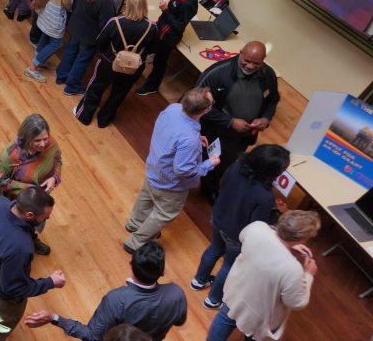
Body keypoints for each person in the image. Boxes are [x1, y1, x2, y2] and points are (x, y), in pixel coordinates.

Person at [192, 144, 290, 310]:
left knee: (215, 248)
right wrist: (279, 213)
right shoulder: (265, 196)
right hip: (236, 235)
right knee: (229, 265)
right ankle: (213, 299)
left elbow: (223, 185)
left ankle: (198, 281)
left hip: (218, 217)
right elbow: (257, 225)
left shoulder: (235, 167)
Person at [24, 242, 187, 341]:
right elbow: (179, 321)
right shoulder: (176, 294)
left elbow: (93, 337)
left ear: (131, 264)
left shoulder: (116, 300)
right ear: (163, 271)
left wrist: (55, 318)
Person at [123, 87, 218, 253]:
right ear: (205, 110)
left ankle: (134, 225)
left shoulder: (173, 109)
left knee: (145, 199)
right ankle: (136, 242)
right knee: (163, 214)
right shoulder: (188, 138)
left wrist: (197, 139)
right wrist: (209, 164)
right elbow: (183, 170)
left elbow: (174, 134)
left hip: (154, 169)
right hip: (170, 185)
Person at [0, 185, 66, 340]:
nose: (47, 219)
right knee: (1, 324)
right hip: (4, 296)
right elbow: (14, 288)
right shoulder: (20, 248)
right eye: (45, 217)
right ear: (29, 215)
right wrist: (50, 282)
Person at [206, 211, 321, 341]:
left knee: (225, 319)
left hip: (236, 292)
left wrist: (289, 245)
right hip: (260, 314)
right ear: (302, 239)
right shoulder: (293, 269)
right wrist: (308, 274)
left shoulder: (257, 227)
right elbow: (296, 303)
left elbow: (243, 237)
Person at [197, 41, 281, 202]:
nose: (250, 66)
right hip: (216, 133)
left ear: (264, 60)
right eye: (246, 61)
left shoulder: (268, 75)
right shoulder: (217, 73)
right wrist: (230, 122)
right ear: (240, 53)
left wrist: (266, 118)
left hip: (244, 136)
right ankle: (208, 189)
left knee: (226, 163)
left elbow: (272, 101)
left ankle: (212, 185)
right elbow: (198, 106)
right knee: (211, 162)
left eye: (256, 63)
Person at [0, 114, 62, 256]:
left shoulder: (50, 144)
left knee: (33, 220)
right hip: (13, 200)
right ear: (27, 138)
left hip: (35, 200)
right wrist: (29, 190)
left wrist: (54, 177)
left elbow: (58, 159)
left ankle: (30, 238)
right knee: (8, 228)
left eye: (45, 138)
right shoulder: (11, 156)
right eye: (37, 141)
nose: (43, 144)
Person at [75, 0, 158, 128]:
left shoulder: (115, 22)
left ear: (128, 5)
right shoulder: (151, 27)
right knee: (119, 93)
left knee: (96, 87)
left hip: (109, 62)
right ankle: (104, 120)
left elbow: (100, 42)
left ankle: (85, 116)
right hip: (134, 67)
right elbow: (153, 49)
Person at [136, 0, 206, 96]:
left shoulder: (189, 4)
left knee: (159, 62)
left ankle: (152, 86)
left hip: (168, 37)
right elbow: (176, 6)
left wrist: (165, 10)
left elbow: (179, 26)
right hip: (162, 28)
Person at [56, 0, 117, 96]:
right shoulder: (105, 1)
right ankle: (72, 87)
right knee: (82, 60)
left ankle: (61, 76)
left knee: (70, 52)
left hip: (74, 27)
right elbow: (106, 24)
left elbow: (75, 5)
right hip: (90, 36)